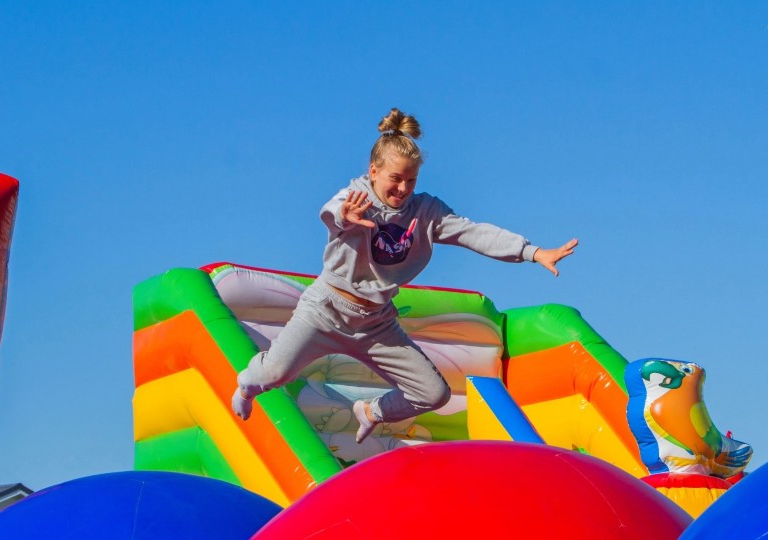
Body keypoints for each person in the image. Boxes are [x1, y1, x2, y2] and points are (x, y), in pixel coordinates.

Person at [232, 108, 578, 444]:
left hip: (375, 323)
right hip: (325, 311)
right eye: (395, 178)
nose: (402, 188)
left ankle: (371, 411)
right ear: (373, 171)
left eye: (411, 181)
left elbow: (473, 233)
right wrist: (344, 215)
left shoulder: (426, 212)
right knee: (272, 374)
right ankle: (246, 387)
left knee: (434, 393)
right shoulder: (356, 196)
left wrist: (532, 252)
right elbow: (332, 209)